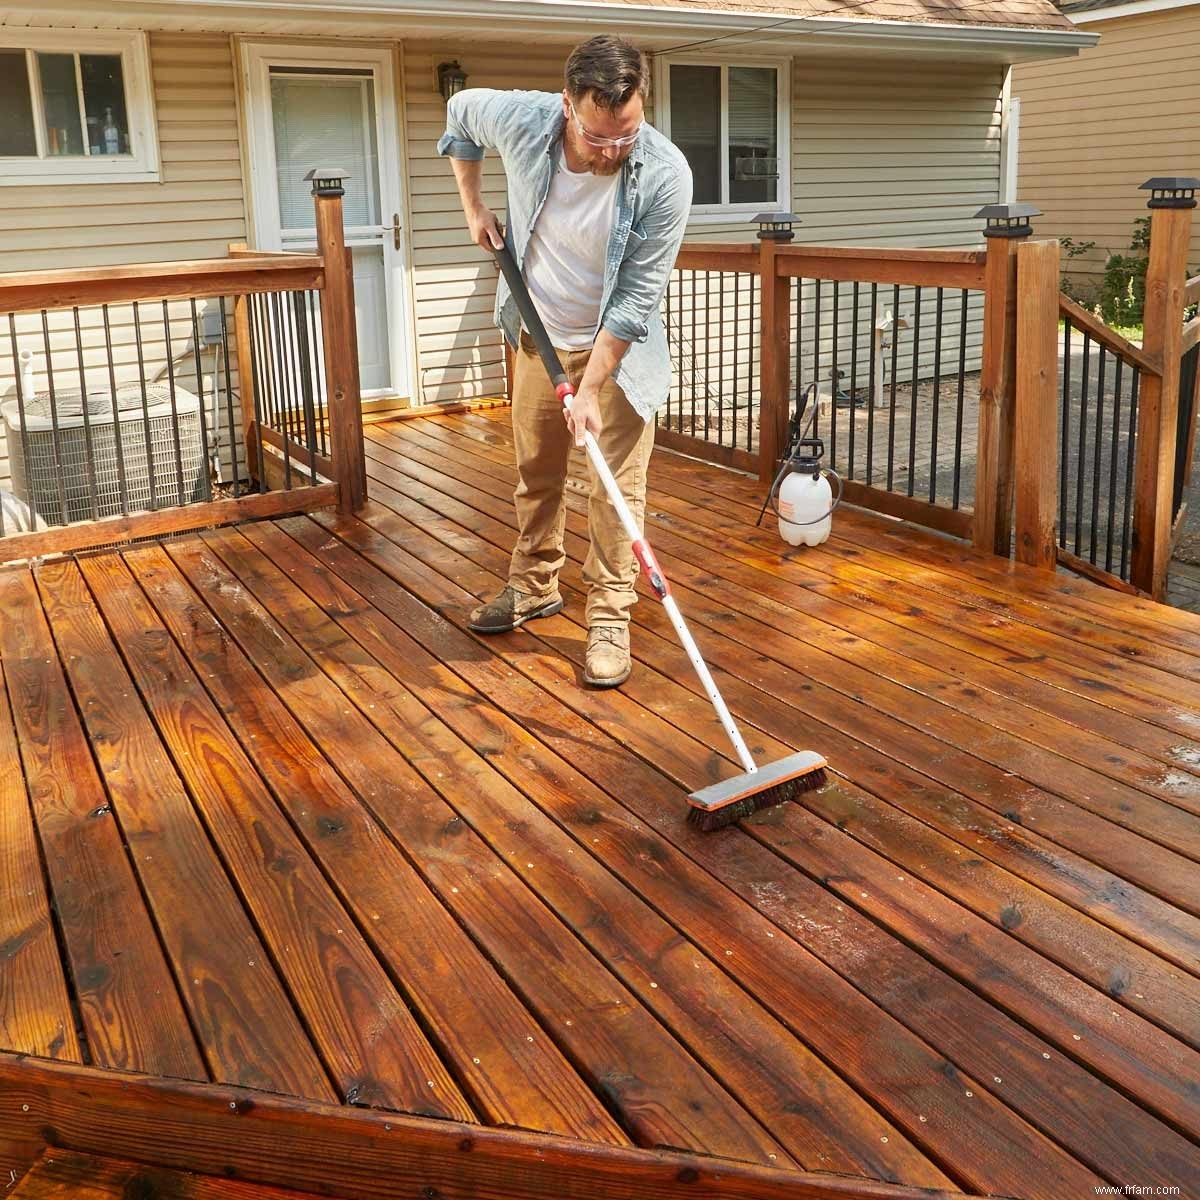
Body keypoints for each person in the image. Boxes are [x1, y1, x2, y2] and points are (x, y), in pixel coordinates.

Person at [438, 35, 692, 687]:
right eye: (598, 136)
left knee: (615, 491)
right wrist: (473, 206)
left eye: (626, 134)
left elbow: (634, 304)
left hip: (618, 356)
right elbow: (460, 112)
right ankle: (534, 586)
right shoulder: (524, 119)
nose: (612, 150)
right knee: (537, 470)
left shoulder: (665, 174)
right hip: (535, 334)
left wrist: (589, 388)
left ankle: (609, 614)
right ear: (566, 107)